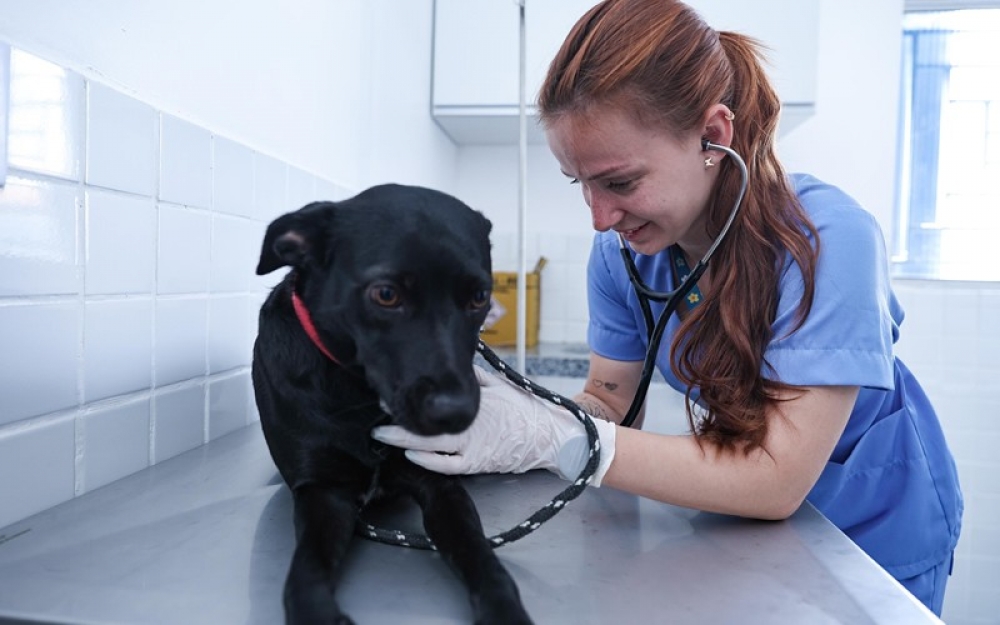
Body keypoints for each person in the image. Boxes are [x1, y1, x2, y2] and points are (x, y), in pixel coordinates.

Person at [373, 0, 963, 615]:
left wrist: (559, 441)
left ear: (713, 136)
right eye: (582, 184)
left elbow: (776, 477)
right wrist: (514, 419)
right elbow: (609, 399)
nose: (600, 218)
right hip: (742, 520)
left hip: (872, 533)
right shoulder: (623, 256)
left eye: (620, 183)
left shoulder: (828, 241)